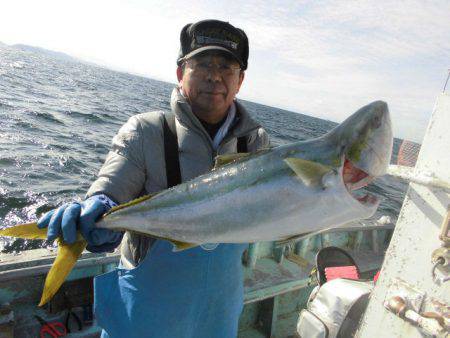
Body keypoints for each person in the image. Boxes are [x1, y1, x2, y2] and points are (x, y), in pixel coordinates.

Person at [37, 19, 269, 337]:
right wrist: (99, 207)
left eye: (227, 67)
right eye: (202, 63)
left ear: (240, 80)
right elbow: (113, 187)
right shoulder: (146, 131)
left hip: (219, 313)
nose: (215, 76)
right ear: (180, 72)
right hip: (146, 314)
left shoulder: (257, 144)